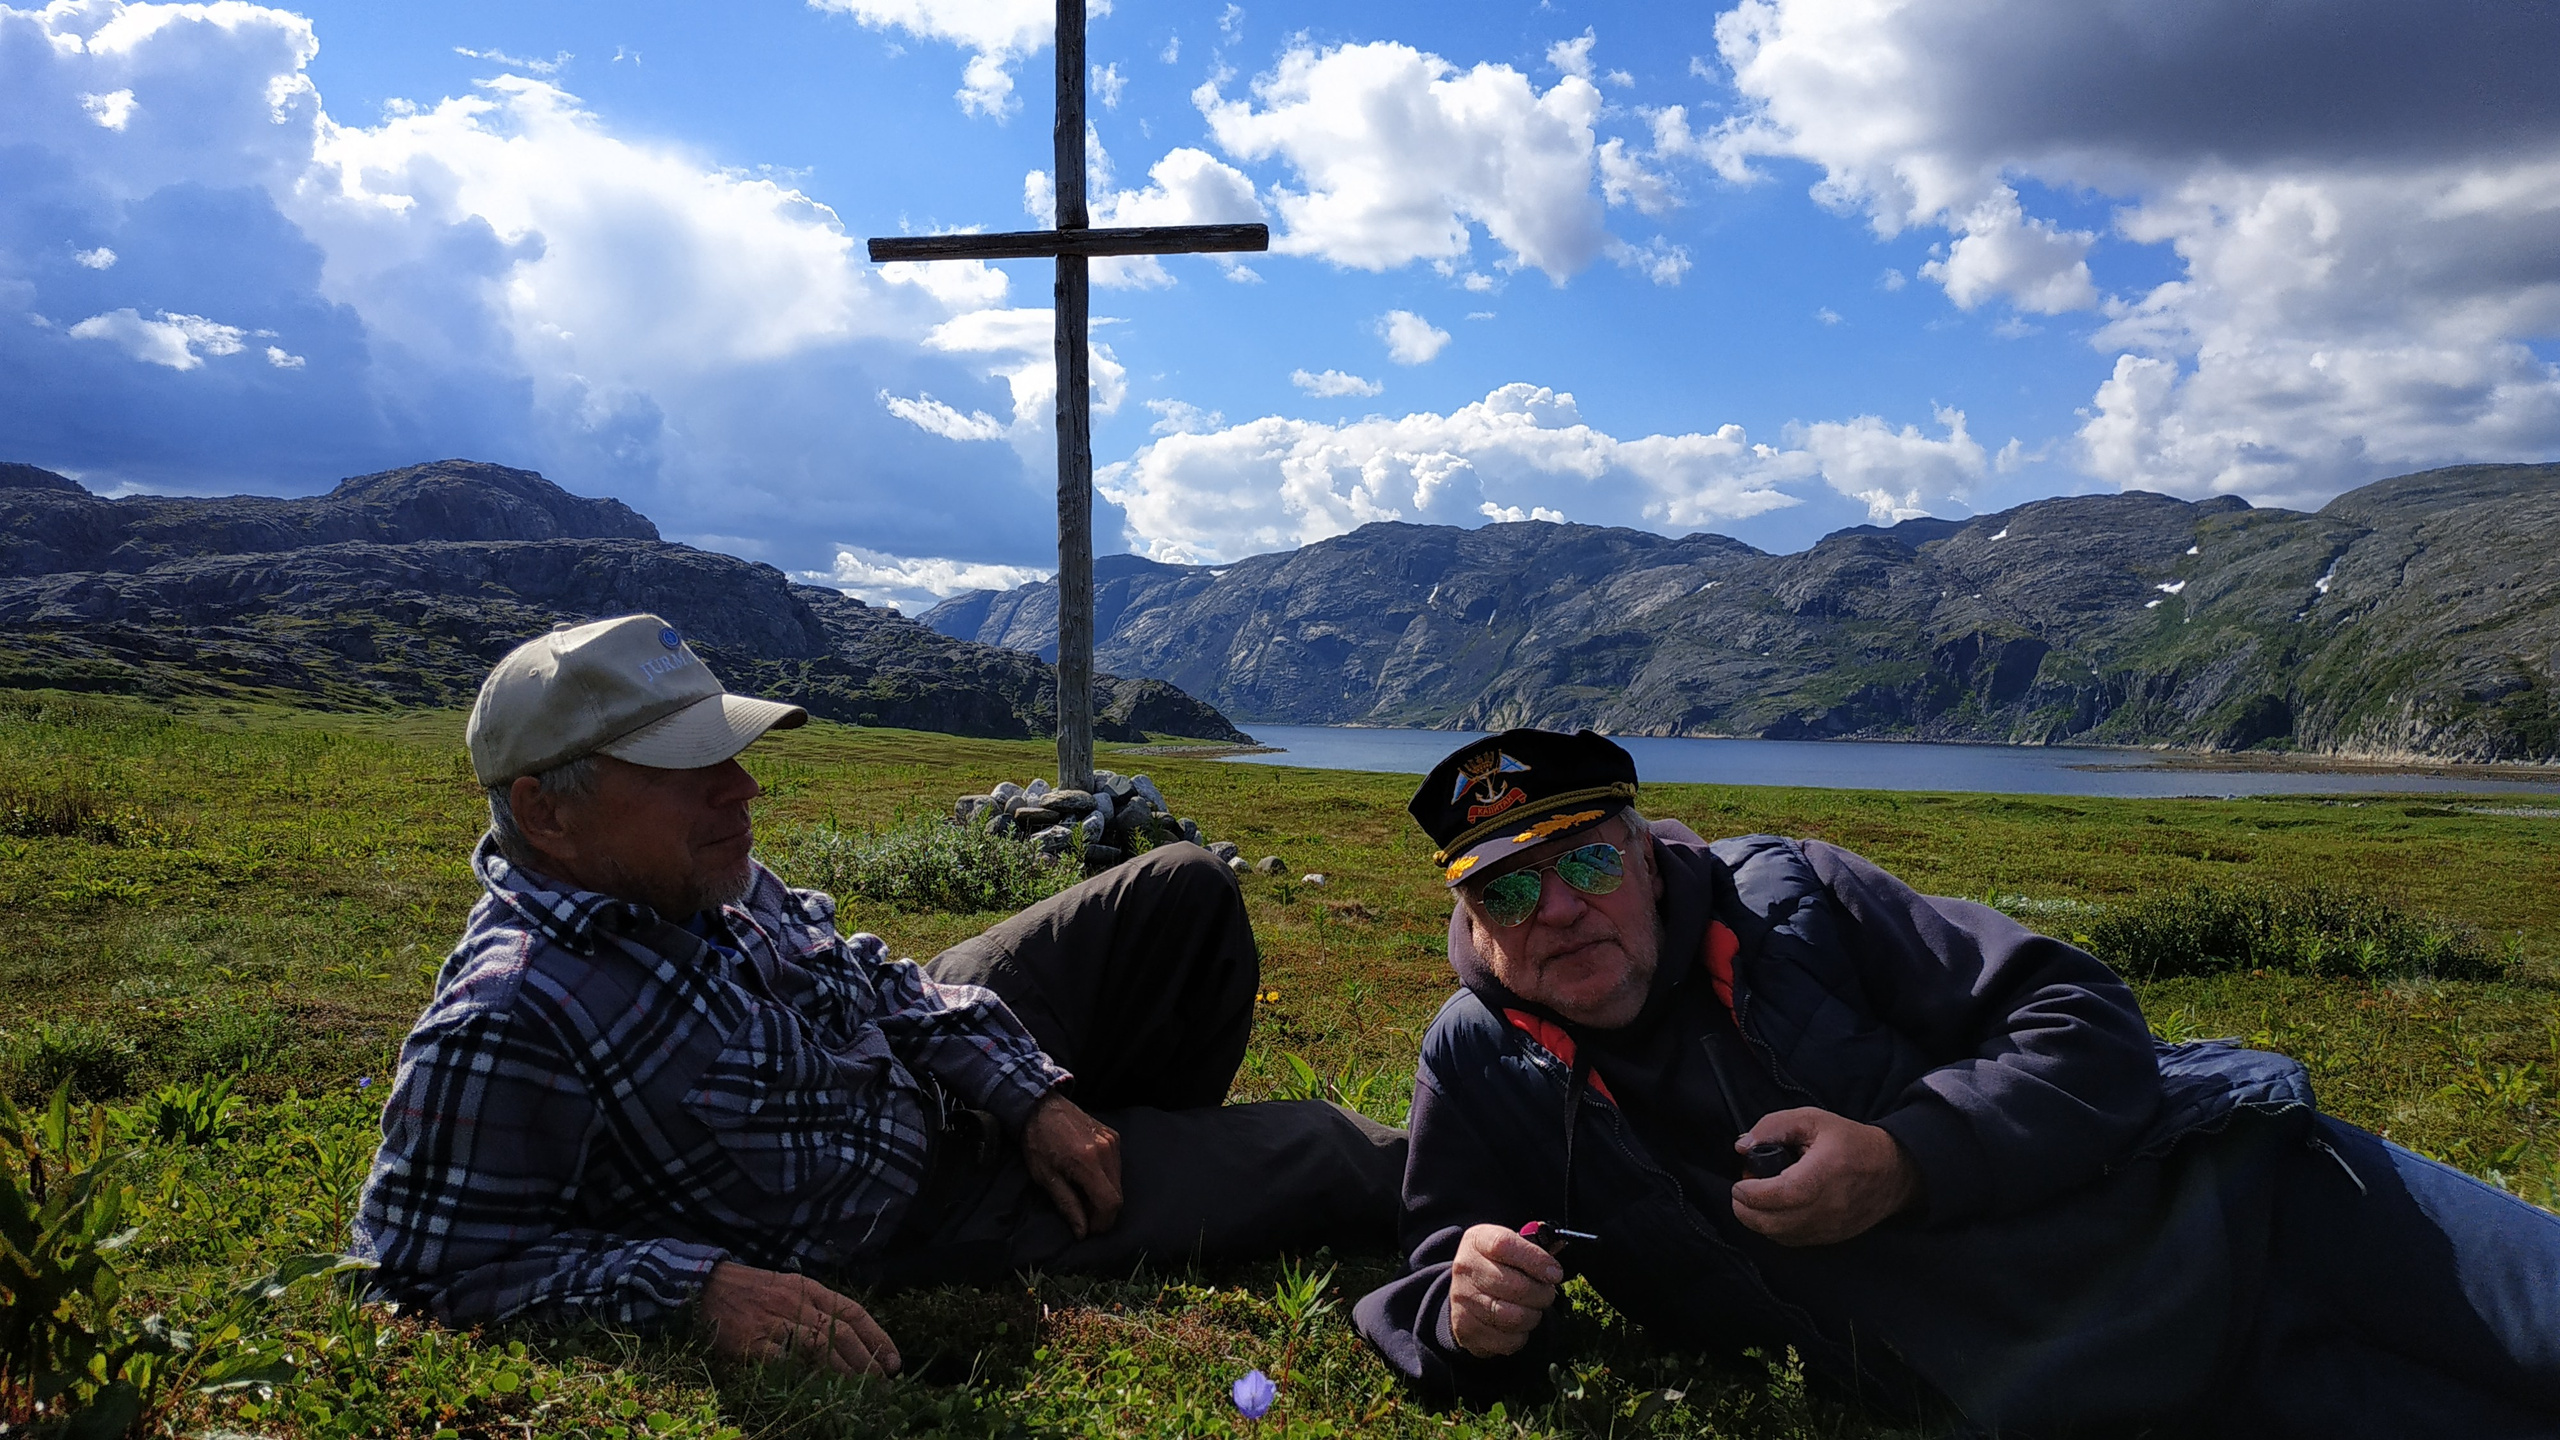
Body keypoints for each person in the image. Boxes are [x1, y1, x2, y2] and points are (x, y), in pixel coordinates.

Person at [1353, 727, 2560, 1437]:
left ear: (1646, 848)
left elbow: (2079, 1017)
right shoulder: (1480, 1054)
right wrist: (1464, 1315)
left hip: (2272, 1214)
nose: (1557, 910)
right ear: (1465, 913)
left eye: (1586, 860)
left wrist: (1904, 1159)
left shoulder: (1789, 896)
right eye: (1505, 889)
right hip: (2109, 1392)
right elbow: (1429, 1269)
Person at [354, 613, 1404, 1377]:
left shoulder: (693, 878)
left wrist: (1028, 1091)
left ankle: (1115, 1147)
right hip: (926, 1201)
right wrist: (693, 1285)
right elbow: (417, 1269)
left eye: (730, 751)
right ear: (545, 811)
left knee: (1183, 888)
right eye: (685, 769)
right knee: (1340, 1157)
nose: (743, 789)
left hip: (921, 1059)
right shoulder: (509, 1017)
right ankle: (1150, 1183)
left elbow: (870, 972)